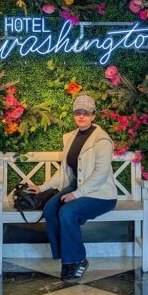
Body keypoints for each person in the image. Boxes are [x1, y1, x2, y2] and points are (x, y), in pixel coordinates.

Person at [29, 94, 118, 283]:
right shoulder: (70, 138)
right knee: (50, 208)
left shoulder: (102, 140)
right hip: (77, 186)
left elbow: (101, 175)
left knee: (67, 212)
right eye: (78, 112)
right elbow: (64, 172)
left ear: (93, 115)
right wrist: (41, 187)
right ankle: (67, 258)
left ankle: (76, 260)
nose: (81, 116)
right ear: (73, 115)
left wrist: (76, 194)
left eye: (86, 112)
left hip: (101, 194)